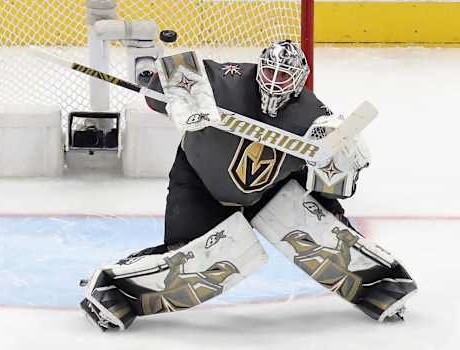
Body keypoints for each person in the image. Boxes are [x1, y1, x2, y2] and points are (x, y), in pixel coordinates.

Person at [80, 41, 417, 331]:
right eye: (269, 72)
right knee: (189, 261)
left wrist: (341, 162)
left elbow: (333, 188)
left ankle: (378, 282)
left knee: (326, 237)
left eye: (283, 76)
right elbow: (164, 79)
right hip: (198, 180)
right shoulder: (225, 81)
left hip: (267, 191)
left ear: (299, 81)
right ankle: (113, 285)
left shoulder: (313, 117)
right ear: (259, 69)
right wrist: (178, 96)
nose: (273, 82)